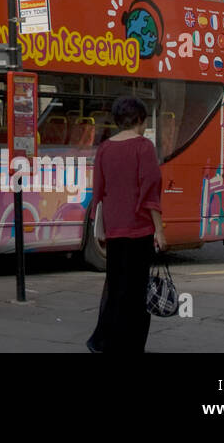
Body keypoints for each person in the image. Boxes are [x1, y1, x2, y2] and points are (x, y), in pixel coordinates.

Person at [86, 96, 164, 354]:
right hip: (139, 230)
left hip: (114, 229)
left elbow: (98, 190)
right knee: (137, 291)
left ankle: (108, 341)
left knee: (116, 286)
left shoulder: (105, 148)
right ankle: (132, 346)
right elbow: (150, 192)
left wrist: (99, 227)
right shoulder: (144, 147)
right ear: (139, 119)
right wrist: (160, 231)